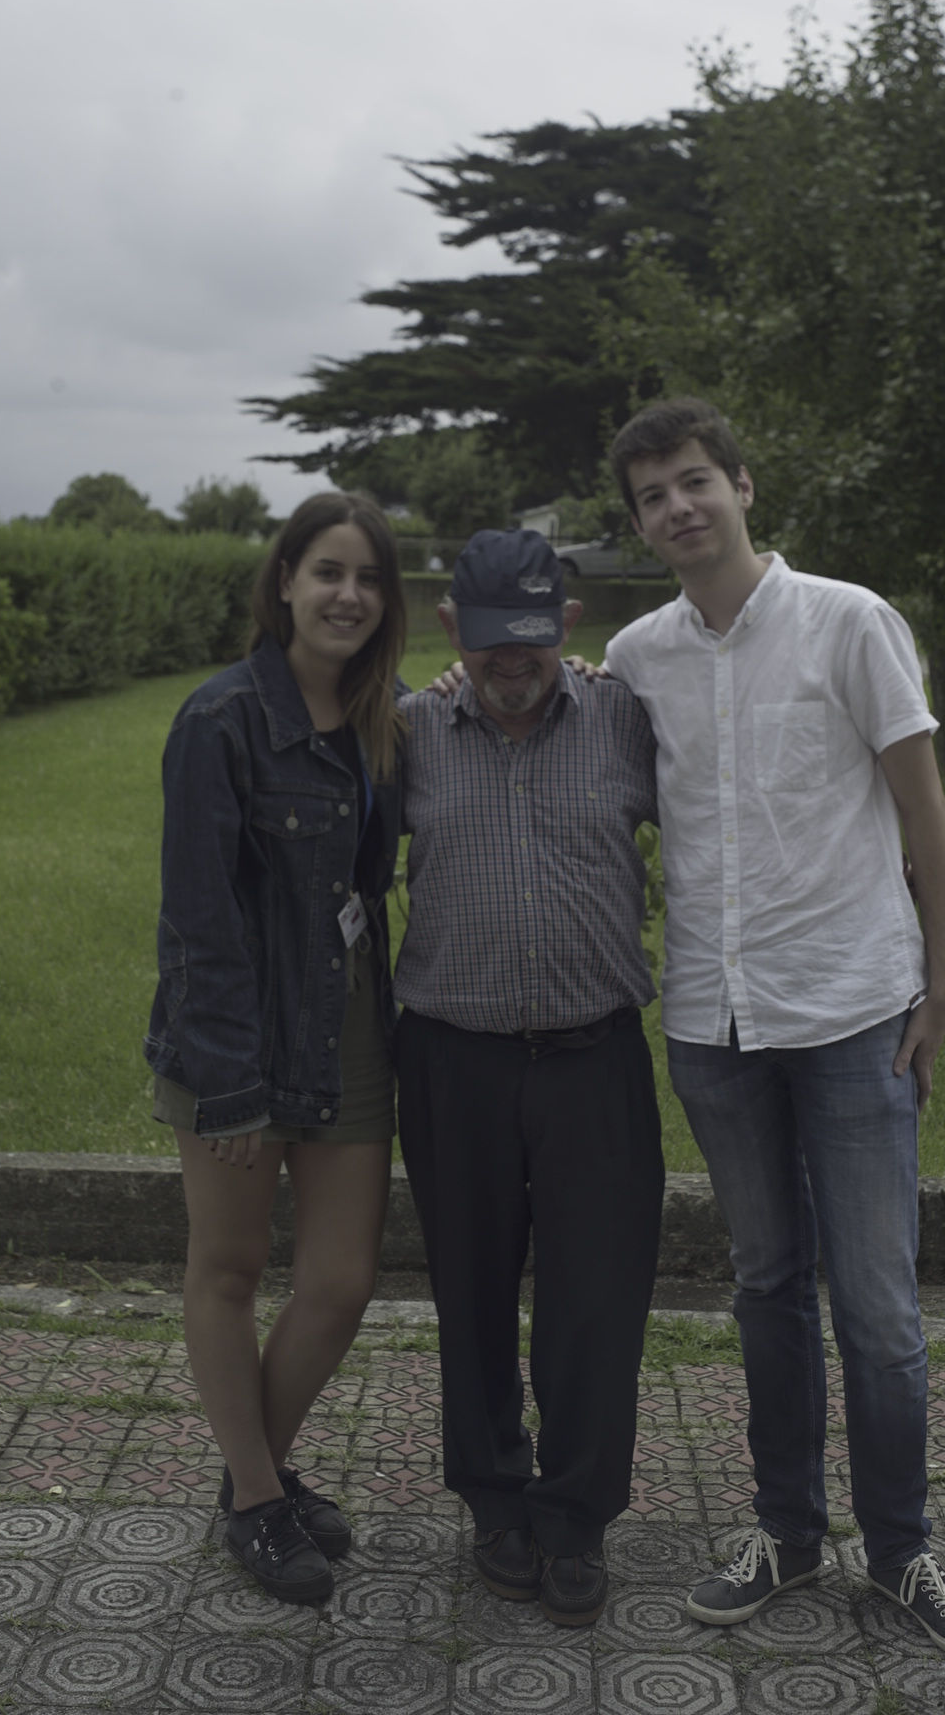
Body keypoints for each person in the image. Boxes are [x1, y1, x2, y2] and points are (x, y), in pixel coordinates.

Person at [600, 397, 945, 1666]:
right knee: (767, 1284)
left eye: (694, 480)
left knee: (878, 1305)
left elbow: (923, 811)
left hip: (850, 1008)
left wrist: (941, 979)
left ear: (743, 485)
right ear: (638, 523)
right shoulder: (635, 658)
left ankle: (902, 1546)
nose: (677, 507)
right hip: (713, 1025)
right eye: (653, 495)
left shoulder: (850, 620)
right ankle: (786, 1529)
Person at [395, 528, 664, 1627]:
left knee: (597, 1301)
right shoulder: (410, 731)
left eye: (534, 639)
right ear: (449, 629)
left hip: (594, 1057)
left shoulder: (626, 717)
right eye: (490, 642)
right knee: (468, 1291)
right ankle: (493, 1497)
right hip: (452, 1057)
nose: (514, 662)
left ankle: (576, 1514)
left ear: (571, 625)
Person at [144, 491, 406, 1606]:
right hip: (235, 1034)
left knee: (341, 1282)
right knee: (231, 1267)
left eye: (368, 578)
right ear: (286, 582)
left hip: (348, 1031)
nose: (348, 595)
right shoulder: (219, 722)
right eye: (328, 572)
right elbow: (197, 920)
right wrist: (229, 1082)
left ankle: (250, 1468)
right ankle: (258, 1496)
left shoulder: (385, 721)